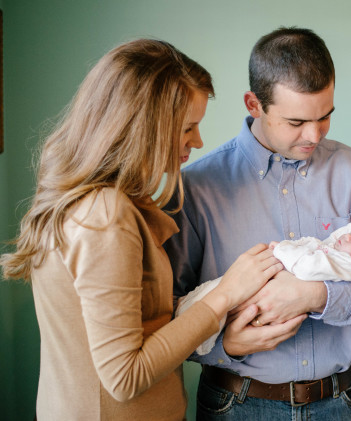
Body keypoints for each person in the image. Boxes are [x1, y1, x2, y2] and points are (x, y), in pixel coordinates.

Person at [0, 39, 284, 421]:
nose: (197, 142)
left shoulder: (93, 201)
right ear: (142, 126)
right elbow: (125, 377)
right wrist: (227, 294)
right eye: (187, 128)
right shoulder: (105, 216)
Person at [164, 27, 351, 420]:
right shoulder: (197, 186)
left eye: (325, 117)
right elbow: (166, 313)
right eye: (296, 121)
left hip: (341, 401)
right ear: (254, 104)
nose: (314, 134)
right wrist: (226, 345)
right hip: (236, 406)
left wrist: (316, 296)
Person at [175, 211, 351, 356]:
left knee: (223, 306)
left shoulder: (348, 266)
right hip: (266, 277)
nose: (350, 236)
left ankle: (192, 331)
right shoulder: (343, 253)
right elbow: (336, 238)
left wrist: (281, 249)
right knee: (215, 295)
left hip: (268, 280)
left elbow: (306, 267)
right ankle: (188, 318)